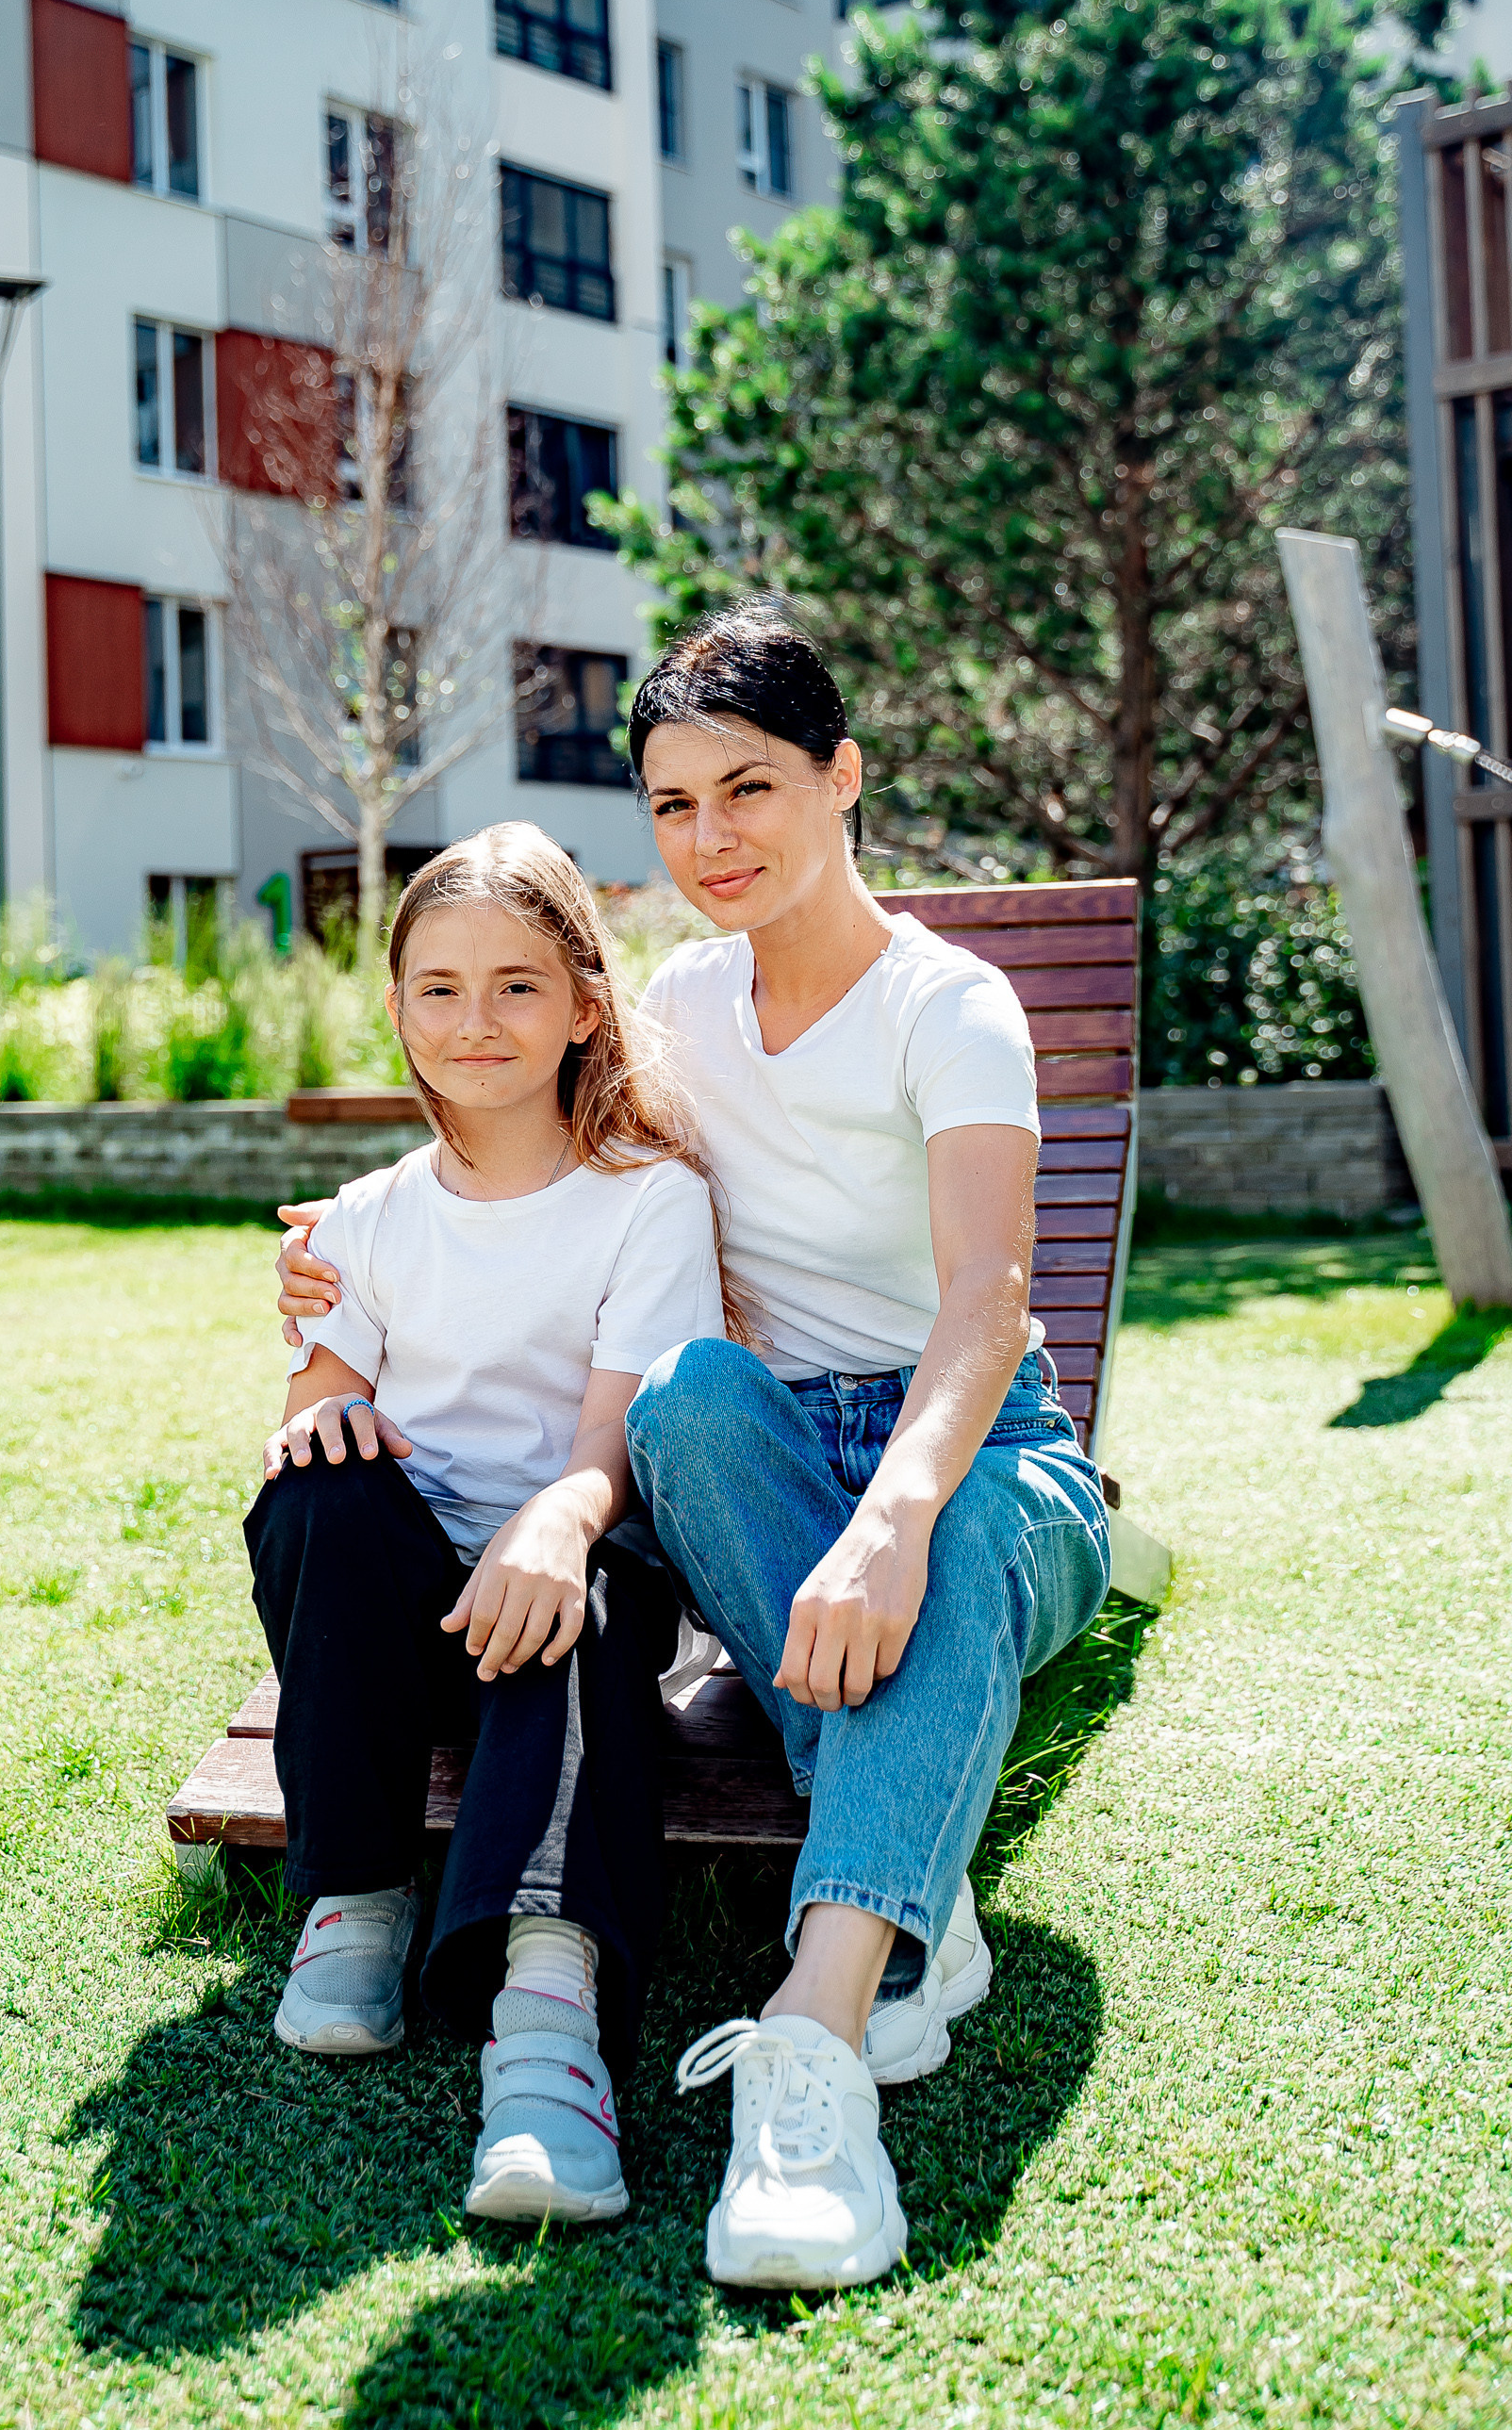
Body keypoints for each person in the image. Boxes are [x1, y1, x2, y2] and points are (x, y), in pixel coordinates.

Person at [277, 602, 1112, 2293]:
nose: (711, 836)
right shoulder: (677, 999)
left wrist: (892, 1518)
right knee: (686, 1397)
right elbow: (548, 1173)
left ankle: (825, 2011)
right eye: (673, 804)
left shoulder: (953, 1007)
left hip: (974, 1445)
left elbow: (989, 1299)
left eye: (750, 788)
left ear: (841, 777)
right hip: (754, 1461)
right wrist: (342, 1258)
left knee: (946, 1541)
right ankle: (905, 1840)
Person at [250, 821, 731, 2230]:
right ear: (398, 1009)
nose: (476, 1020)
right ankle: (354, 1898)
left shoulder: (649, 1203)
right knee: (320, 1489)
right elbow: (318, 1405)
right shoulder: (362, 1219)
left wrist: (553, 1530)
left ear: (583, 1007)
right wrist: (317, 1425)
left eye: (518, 985)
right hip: (407, 1617)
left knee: (584, 1595)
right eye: (440, 988)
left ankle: (547, 2026)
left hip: (582, 1574)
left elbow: (610, 1456)